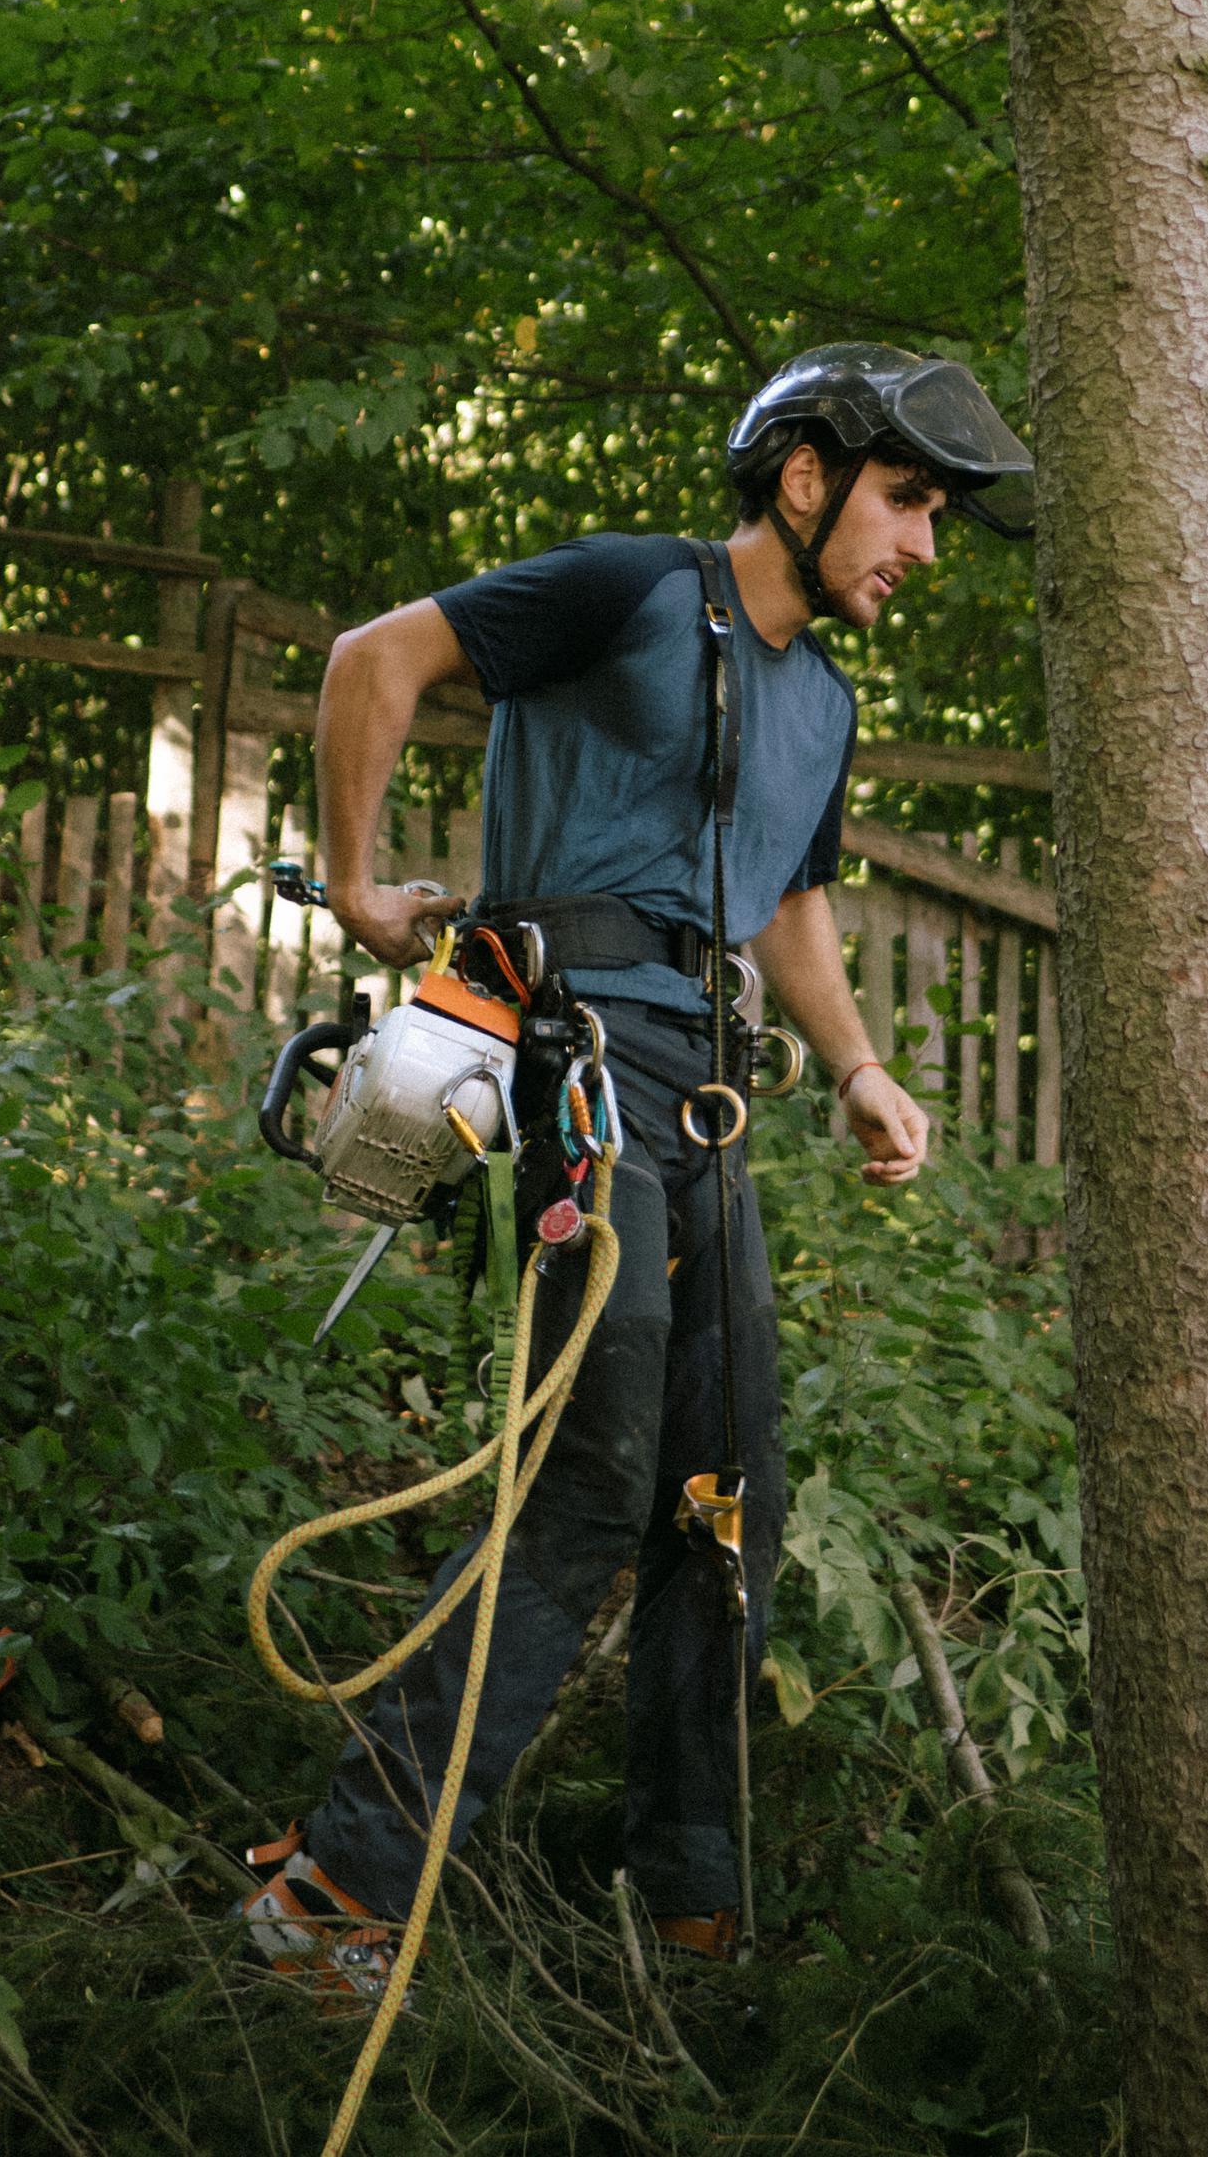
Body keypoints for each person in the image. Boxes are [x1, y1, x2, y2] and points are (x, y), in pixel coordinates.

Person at [238, 343, 1033, 1993]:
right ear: (803, 476)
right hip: (569, 1050)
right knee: (591, 1477)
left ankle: (687, 1901)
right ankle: (341, 1883)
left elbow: (785, 906)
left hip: (709, 1090)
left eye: (942, 515)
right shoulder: (626, 590)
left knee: (729, 1492)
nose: (924, 545)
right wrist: (370, 886)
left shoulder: (825, 698)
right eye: (904, 500)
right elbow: (375, 659)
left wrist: (861, 1065)